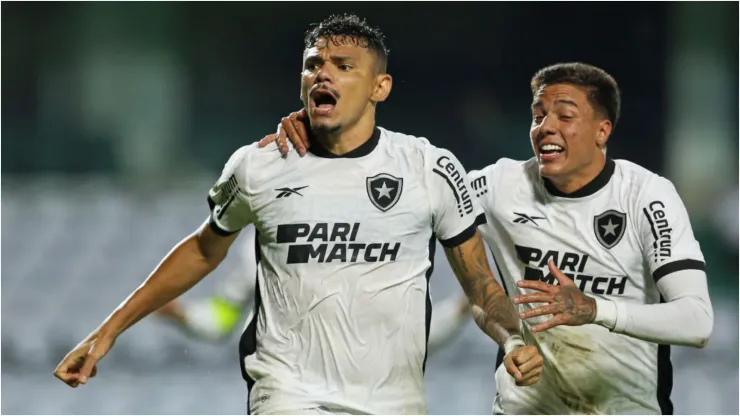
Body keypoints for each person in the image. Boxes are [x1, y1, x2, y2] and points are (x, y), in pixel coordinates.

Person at [53, 14, 543, 415]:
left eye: (343, 65)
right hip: (287, 396)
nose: (322, 74)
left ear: (381, 86)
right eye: (313, 64)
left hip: (393, 403)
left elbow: (480, 286)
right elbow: (203, 250)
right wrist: (106, 333)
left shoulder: (429, 168)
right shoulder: (259, 165)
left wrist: (512, 337)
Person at [266, 62, 714, 415]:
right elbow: (405, 188)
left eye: (564, 115)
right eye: (538, 115)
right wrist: (325, 138)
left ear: (602, 131)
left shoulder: (647, 196)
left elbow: (696, 322)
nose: (546, 127)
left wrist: (596, 309)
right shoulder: (502, 185)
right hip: (524, 406)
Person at [155, 226, 472, 356]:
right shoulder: (261, 242)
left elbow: (412, 334)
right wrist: (179, 314)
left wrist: (465, 307)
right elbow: (223, 320)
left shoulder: (371, 239)